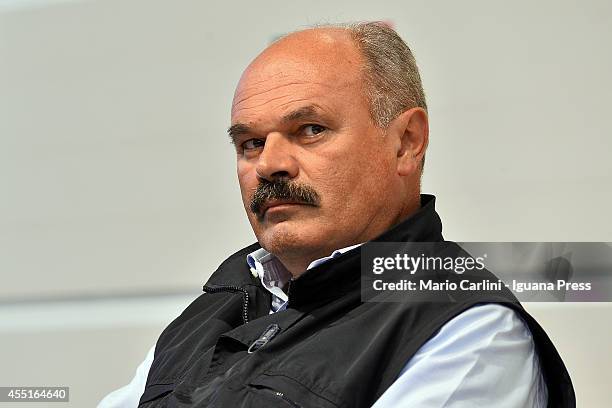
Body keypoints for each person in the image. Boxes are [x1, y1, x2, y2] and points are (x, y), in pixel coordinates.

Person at [99, 22, 575, 407]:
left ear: (407, 142)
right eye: (250, 143)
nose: (269, 164)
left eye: (310, 129)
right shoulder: (219, 305)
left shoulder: (467, 331)